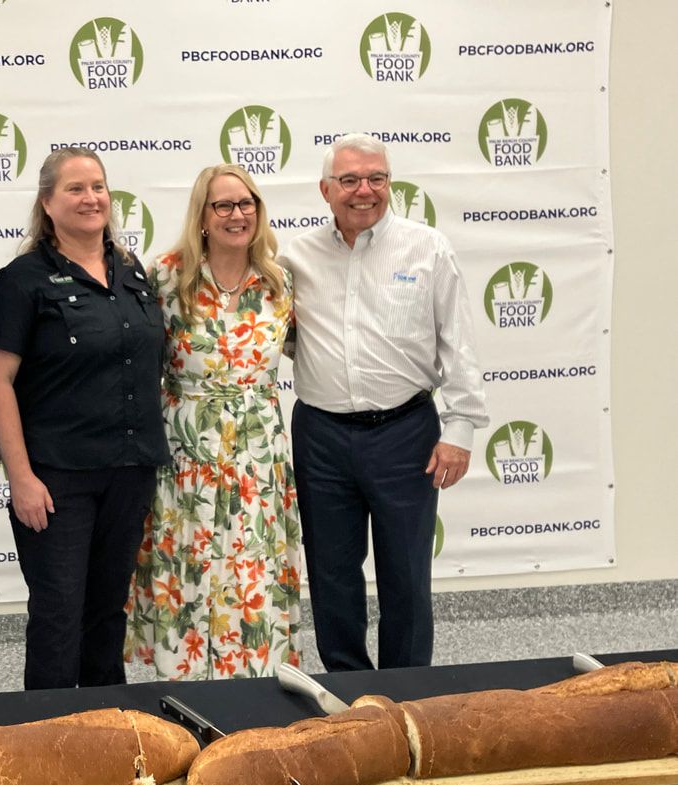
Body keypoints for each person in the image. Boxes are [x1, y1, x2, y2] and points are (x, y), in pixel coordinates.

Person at [280, 132, 488, 672]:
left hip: (406, 433)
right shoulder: (294, 257)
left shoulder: (428, 248)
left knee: (406, 572)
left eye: (377, 178)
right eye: (349, 180)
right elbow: (267, 331)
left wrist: (460, 428)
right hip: (320, 435)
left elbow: (458, 343)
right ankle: (349, 689)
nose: (364, 190)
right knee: (331, 572)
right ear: (326, 189)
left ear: (389, 184)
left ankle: (408, 691)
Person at [0, 147, 169, 690]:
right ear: (47, 201)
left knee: (108, 612)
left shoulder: (131, 271)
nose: (91, 198)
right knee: (59, 614)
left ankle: (109, 739)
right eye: (75, 189)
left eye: (98, 187)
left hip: (130, 471)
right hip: (57, 478)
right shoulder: (22, 280)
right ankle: (48, 741)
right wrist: (20, 477)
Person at [125, 164, 301, 680]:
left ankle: (259, 694)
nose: (237, 214)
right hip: (187, 457)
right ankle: (187, 694)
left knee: (254, 573)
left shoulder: (278, 280)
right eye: (223, 205)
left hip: (257, 459)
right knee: (190, 570)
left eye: (246, 203)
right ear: (202, 216)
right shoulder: (165, 276)